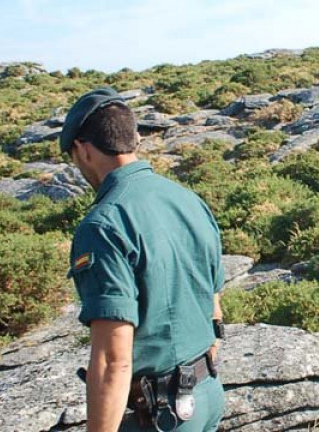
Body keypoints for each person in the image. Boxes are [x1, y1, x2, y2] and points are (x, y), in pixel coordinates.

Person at [62, 87, 226, 432]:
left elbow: (112, 362)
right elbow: (215, 308)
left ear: (82, 149)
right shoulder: (187, 199)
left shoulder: (103, 225)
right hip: (207, 396)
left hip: (161, 414)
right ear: (133, 139)